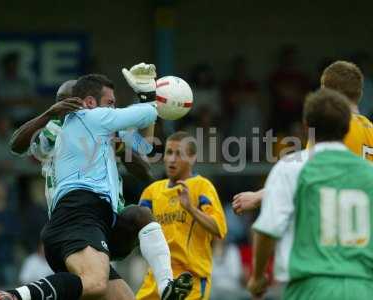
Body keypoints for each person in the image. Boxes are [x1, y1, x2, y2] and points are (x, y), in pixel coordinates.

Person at [0, 66, 191, 300]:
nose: (70, 106)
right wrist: (49, 115)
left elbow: (146, 162)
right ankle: (18, 296)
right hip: (75, 219)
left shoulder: (105, 127)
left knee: (138, 217)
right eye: (64, 101)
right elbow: (17, 145)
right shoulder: (58, 129)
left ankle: (167, 286)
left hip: (101, 219)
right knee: (93, 284)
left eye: (72, 100)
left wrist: (121, 146)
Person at [247, 88, 373, 299]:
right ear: (346, 127)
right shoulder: (368, 173)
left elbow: (268, 229)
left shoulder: (291, 167)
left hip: (309, 285)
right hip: (362, 288)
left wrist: (257, 277)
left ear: (306, 126)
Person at [233, 60, 373, 214]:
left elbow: (305, 175)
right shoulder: (370, 129)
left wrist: (257, 197)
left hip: (340, 219)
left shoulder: (333, 127)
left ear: (330, 94)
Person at [137, 131, 227, 300]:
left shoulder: (202, 186)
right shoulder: (151, 192)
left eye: (179, 154)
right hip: (155, 279)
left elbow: (219, 229)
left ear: (192, 158)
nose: (172, 159)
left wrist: (191, 208)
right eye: (169, 153)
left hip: (189, 281)